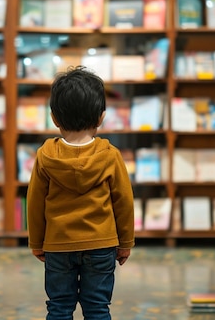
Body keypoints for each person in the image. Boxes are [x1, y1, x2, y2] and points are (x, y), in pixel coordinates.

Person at [27, 66, 135, 320]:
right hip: (101, 244)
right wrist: (126, 242)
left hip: (58, 245)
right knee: (97, 308)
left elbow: (34, 202)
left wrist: (36, 242)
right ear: (101, 117)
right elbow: (124, 201)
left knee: (59, 307)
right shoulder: (110, 156)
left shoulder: (45, 156)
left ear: (54, 118)